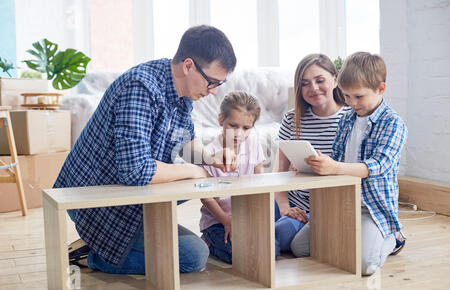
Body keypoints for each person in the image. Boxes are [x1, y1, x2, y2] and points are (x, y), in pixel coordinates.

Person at [56, 25, 238, 274]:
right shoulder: (140, 87)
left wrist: (210, 158)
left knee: (198, 185)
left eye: (220, 84)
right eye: (212, 82)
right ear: (188, 66)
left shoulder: (182, 92)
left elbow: (185, 141)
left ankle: (119, 242)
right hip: (96, 200)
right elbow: (137, 171)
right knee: (193, 258)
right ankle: (91, 256)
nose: (214, 91)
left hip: (132, 194)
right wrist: (193, 171)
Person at [303, 52, 408, 276]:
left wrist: (336, 167)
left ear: (381, 89)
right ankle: (353, 234)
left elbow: (379, 165)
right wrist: (320, 163)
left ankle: (393, 237)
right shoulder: (346, 119)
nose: (351, 103)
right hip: (342, 202)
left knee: (365, 266)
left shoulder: (393, 123)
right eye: (347, 96)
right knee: (299, 248)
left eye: (358, 97)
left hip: (372, 209)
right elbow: (338, 158)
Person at [273, 54, 351, 257]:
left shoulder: (350, 118)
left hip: (330, 206)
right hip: (296, 204)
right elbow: (279, 171)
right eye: (305, 83)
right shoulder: (292, 119)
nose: (313, 88)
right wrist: (284, 207)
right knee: (266, 231)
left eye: (320, 80)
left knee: (281, 238)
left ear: (335, 80)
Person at [199, 91, 265, 264]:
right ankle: (208, 240)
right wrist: (226, 220)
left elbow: (261, 182)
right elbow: (206, 198)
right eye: (233, 126)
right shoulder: (208, 154)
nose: (239, 134)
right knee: (239, 255)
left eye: (246, 128)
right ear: (221, 120)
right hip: (217, 221)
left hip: (246, 215)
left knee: (271, 250)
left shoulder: (254, 144)